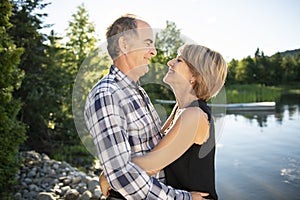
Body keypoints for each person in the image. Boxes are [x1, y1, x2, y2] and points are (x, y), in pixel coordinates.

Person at [84, 14, 204, 200]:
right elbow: (122, 175)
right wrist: (184, 198)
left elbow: (154, 147)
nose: (154, 51)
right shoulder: (107, 95)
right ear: (124, 45)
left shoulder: (136, 91)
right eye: (147, 43)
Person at [100, 44, 228, 200]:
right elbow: (153, 147)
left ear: (195, 76)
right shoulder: (181, 110)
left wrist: (108, 175)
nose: (170, 62)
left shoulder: (194, 115)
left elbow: (152, 164)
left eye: (179, 60)